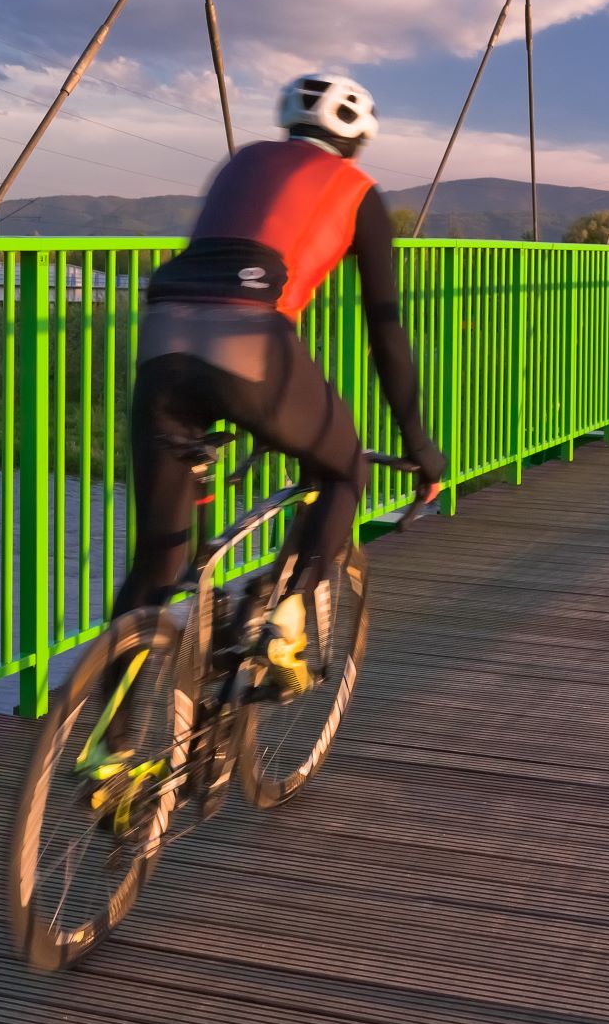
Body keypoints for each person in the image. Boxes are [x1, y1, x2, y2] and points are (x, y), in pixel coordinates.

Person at [118, 71, 447, 690]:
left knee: (156, 566)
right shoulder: (358, 192)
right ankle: (286, 621)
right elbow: (385, 330)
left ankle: (111, 747)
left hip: (163, 334)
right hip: (249, 342)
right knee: (345, 465)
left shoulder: (240, 165)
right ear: (356, 139)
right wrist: (420, 447)